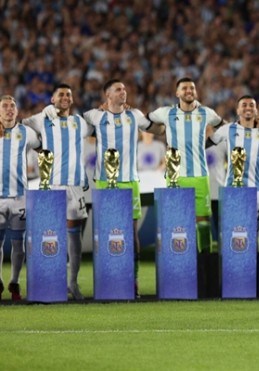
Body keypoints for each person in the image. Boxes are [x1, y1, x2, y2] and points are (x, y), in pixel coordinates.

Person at [83, 79, 161, 297]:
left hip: (129, 180)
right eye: (118, 89)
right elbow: (76, 127)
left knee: (131, 230)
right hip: (104, 181)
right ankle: (108, 278)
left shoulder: (134, 115)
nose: (123, 92)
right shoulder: (94, 116)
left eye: (125, 89)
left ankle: (133, 279)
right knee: (105, 230)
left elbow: (159, 130)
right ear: (107, 95)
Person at [147, 77, 224, 297]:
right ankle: (179, 271)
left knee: (202, 222)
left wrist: (208, 143)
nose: (189, 90)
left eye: (192, 87)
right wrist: (161, 133)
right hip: (175, 176)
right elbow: (143, 122)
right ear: (177, 93)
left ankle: (205, 267)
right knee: (177, 225)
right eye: (184, 88)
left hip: (200, 175)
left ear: (196, 92)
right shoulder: (166, 113)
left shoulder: (206, 113)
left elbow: (223, 126)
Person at [23, 84, 94, 300]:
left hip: (75, 184)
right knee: (52, 234)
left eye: (68, 95)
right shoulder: (42, 118)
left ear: (72, 100)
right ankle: (54, 281)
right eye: (61, 94)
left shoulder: (80, 122)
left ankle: (72, 281)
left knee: (74, 232)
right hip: (51, 184)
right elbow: (21, 127)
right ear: (53, 99)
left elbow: (100, 127)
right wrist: (38, 146)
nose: (65, 97)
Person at [208, 95, 259, 231]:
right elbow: (205, 144)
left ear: (256, 110)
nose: (248, 108)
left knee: (253, 231)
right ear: (238, 110)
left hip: (255, 189)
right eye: (244, 105)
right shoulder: (227, 129)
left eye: (251, 105)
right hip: (232, 189)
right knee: (233, 229)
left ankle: (253, 252)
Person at [0, 96, 41, 301]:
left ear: (17, 111)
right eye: (5, 106)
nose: (9, 109)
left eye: (12, 106)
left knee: (18, 243)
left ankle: (14, 282)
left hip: (19, 197)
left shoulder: (26, 133)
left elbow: (44, 148)